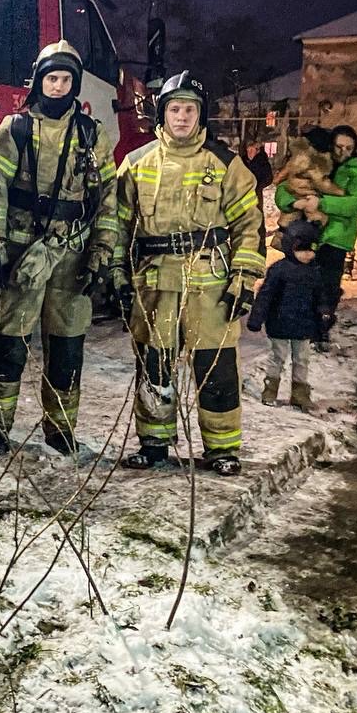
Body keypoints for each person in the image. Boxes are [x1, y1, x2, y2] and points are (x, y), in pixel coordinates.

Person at [113, 71, 265, 476]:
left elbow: (249, 227)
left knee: (215, 370)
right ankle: (154, 444)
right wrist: (116, 272)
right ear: (163, 114)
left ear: (201, 116)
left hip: (210, 286)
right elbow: (117, 225)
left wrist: (244, 278)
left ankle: (221, 449)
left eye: (190, 109)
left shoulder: (227, 165)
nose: (182, 117)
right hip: (156, 283)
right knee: (155, 368)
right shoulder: (136, 164)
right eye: (175, 109)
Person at [0, 41, 118, 454]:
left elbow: (107, 198)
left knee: (66, 349)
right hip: (22, 254)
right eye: (51, 78)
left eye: (66, 80)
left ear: (75, 85)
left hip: (71, 256)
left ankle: (60, 429)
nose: (58, 86)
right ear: (39, 81)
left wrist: (101, 253)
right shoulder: (15, 129)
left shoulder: (93, 135)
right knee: (9, 346)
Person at [274, 124, 357, 331]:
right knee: (301, 281)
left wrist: (322, 203)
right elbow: (284, 188)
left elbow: (354, 203)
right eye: (339, 146)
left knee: (327, 285)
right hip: (311, 233)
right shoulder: (318, 162)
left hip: (337, 237)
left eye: (349, 148)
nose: (342, 152)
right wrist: (294, 203)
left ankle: (321, 327)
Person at [247, 219, 331, 410]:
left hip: (304, 325)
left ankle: (300, 393)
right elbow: (266, 295)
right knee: (278, 357)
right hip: (279, 324)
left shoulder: (315, 272)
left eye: (311, 249)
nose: (307, 254)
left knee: (302, 360)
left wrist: (324, 311)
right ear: (290, 247)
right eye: (302, 249)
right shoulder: (279, 270)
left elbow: (320, 296)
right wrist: (256, 317)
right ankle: (270, 389)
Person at [243, 140, 274, 254]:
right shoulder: (243, 161)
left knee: (257, 217)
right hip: (243, 195)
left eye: (251, 150)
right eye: (248, 150)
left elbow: (268, 178)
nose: (249, 153)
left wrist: (257, 186)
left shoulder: (262, 162)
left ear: (257, 150)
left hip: (255, 194)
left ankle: (259, 245)